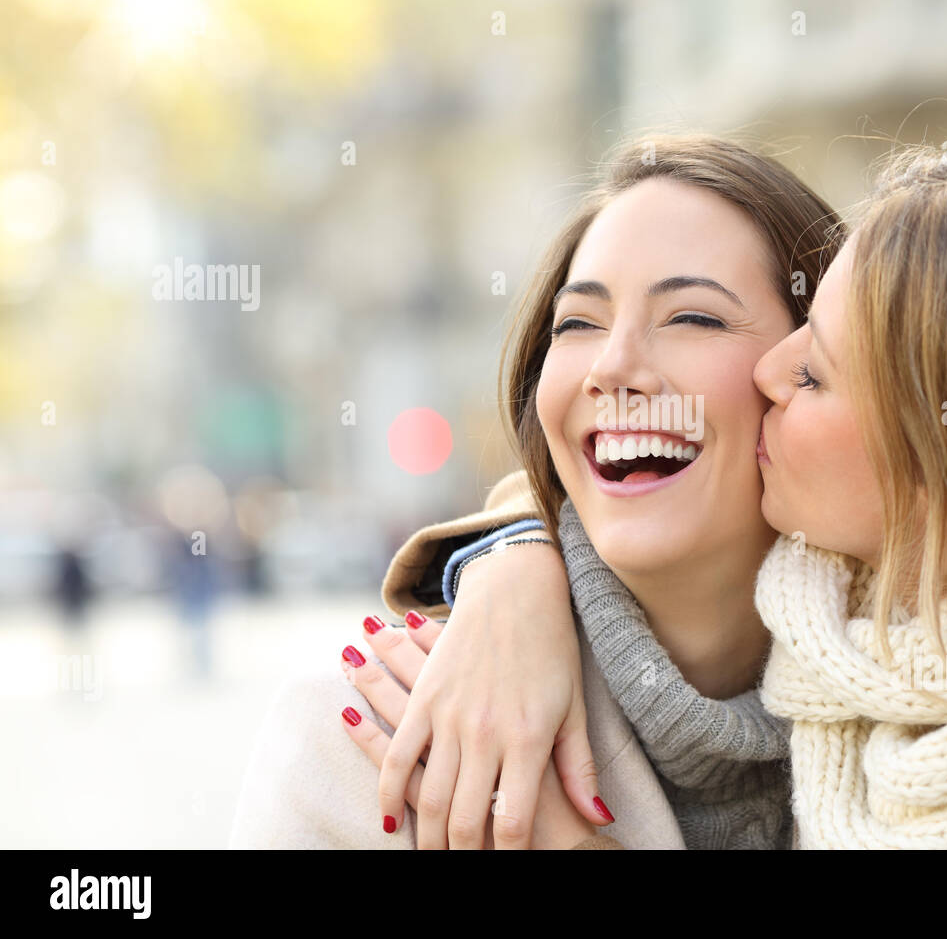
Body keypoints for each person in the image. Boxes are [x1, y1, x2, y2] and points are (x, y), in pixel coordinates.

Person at [359, 140, 947, 848]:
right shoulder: (849, 662)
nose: (763, 373)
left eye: (813, 374)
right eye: (579, 321)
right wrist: (512, 565)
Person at [228, 131, 842, 849]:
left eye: (693, 317)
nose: (612, 367)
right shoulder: (367, 747)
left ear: (815, 371)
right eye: (578, 323)